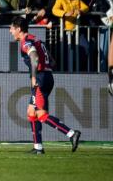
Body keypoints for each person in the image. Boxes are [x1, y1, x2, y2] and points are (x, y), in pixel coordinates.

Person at [9, 16, 81, 154]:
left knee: (41, 115)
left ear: (18, 29)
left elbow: (34, 56)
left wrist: (35, 76)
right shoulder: (35, 38)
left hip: (41, 78)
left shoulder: (25, 42)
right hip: (47, 76)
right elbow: (51, 60)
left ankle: (71, 134)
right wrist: (47, 66)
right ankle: (38, 148)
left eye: (12, 28)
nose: (10, 31)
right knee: (31, 112)